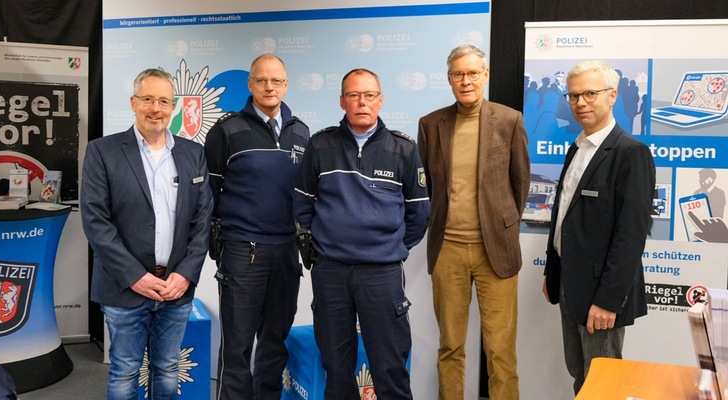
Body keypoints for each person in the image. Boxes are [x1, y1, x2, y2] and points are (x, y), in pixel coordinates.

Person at [294, 68, 430, 400]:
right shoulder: (320, 145)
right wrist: (321, 246)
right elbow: (302, 203)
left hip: (381, 274)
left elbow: (419, 213)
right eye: (354, 95)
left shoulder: (403, 149)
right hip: (331, 272)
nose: (362, 102)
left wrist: (388, 246)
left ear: (380, 100)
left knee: (390, 366)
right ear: (342, 101)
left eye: (369, 95)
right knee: (336, 367)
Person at [81, 68, 213, 399]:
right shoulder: (102, 151)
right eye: (148, 99)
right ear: (133, 102)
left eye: (164, 101)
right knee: (125, 370)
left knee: (168, 368)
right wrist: (134, 277)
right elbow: (96, 221)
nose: (156, 108)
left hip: (175, 288)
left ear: (174, 107)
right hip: (124, 288)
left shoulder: (193, 153)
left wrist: (185, 274)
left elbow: (202, 219)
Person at [417, 44, 530, 399]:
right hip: (448, 249)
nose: (465, 81)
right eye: (458, 74)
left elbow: (520, 183)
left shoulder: (509, 120)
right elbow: (426, 189)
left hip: (495, 249)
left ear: (485, 75)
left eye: (472, 73)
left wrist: (500, 226)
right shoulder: (430, 124)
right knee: (450, 345)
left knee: (500, 350)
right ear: (449, 78)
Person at [542, 60, 655, 394]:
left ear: (612, 95)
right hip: (568, 282)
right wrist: (552, 272)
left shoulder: (630, 153)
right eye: (574, 95)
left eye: (590, 93)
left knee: (602, 384)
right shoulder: (577, 148)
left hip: (600, 294)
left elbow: (630, 236)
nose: (581, 102)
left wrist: (608, 300)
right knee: (579, 375)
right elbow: (564, 216)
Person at [204, 53, 310, 400]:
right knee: (237, 347)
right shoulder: (226, 130)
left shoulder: (301, 132)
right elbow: (208, 194)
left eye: (276, 80)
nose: (269, 87)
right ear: (250, 84)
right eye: (261, 80)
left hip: (286, 252)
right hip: (242, 253)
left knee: (275, 342)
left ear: (286, 84)